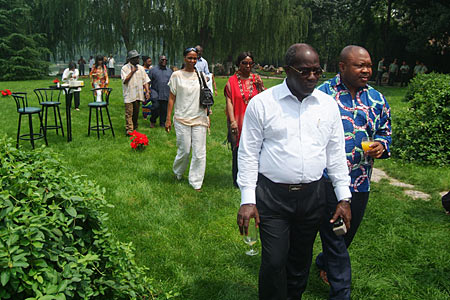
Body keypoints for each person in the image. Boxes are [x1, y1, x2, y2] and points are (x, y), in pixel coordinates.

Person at [236, 43, 352, 300]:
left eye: (317, 71)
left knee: (300, 262)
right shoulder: (263, 104)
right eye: (304, 71)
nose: (312, 77)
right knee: (275, 261)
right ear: (288, 70)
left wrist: (343, 197)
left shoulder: (327, 106)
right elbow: (248, 154)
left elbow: (335, 154)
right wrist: (247, 200)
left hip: (312, 197)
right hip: (273, 197)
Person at [315, 45, 392, 300]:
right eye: (360, 65)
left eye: (369, 65)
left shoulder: (377, 99)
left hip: (360, 181)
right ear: (342, 67)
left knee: (346, 235)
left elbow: (385, 131)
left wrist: (382, 144)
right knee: (336, 237)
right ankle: (341, 293)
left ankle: (323, 261)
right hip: (325, 180)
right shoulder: (321, 95)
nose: (367, 70)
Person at [165, 47, 208, 191]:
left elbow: (207, 96)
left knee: (199, 152)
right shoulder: (176, 75)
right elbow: (171, 98)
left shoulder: (201, 75)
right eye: (190, 57)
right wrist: (168, 119)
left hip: (199, 117)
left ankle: (196, 181)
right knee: (184, 150)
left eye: (195, 58)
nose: (192, 60)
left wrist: (207, 115)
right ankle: (178, 172)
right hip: (182, 117)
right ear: (184, 58)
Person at [224, 51, 265, 188]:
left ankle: (254, 178)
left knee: (255, 149)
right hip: (238, 119)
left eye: (250, 63)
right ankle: (237, 180)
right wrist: (232, 121)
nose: (248, 66)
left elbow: (264, 99)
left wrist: (260, 86)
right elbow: (229, 102)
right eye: (244, 63)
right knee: (238, 150)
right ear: (238, 64)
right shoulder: (232, 81)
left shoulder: (256, 79)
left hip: (254, 120)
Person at [121, 50, 150, 135]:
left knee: (136, 113)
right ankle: (129, 130)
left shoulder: (141, 68)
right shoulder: (125, 68)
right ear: (131, 59)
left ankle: (135, 127)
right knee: (129, 112)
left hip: (138, 94)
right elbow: (125, 81)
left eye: (138, 57)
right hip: (129, 94)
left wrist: (147, 91)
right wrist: (132, 72)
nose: (138, 59)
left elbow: (145, 81)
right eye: (136, 58)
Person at [149, 55, 173, 128]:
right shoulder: (153, 70)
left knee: (164, 109)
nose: (164, 61)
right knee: (155, 107)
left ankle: (162, 123)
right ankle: (153, 120)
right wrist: (147, 91)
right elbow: (148, 81)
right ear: (159, 60)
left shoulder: (170, 71)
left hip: (166, 92)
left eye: (166, 60)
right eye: (162, 60)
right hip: (155, 92)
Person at [141, 56, 153, 120]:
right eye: (149, 61)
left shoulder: (151, 69)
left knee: (151, 102)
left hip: (151, 87)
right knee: (145, 101)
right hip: (144, 87)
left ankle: (150, 114)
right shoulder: (142, 69)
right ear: (144, 62)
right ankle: (145, 116)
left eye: (151, 61)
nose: (150, 63)